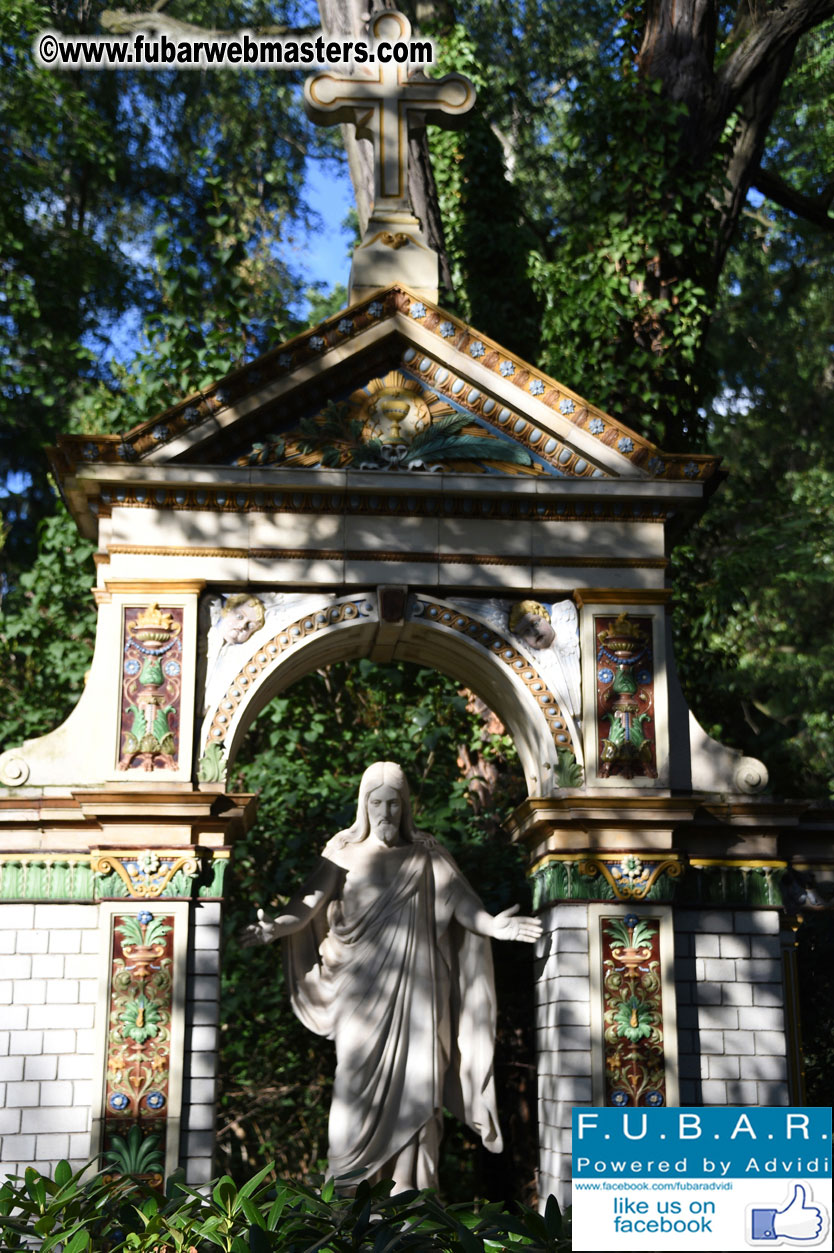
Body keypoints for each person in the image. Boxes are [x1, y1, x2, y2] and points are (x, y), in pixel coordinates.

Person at [241, 761, 541, 1191]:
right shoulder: (341, 852)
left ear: (405, 808)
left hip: (420, 996)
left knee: (419, 1092)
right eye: (377, 803)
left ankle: (411, 1201)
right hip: (360, 995)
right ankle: (346, 1196)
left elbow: (461, 904)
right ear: (364, 806)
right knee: (352, 1085)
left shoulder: (427, 855)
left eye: (394, 804)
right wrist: (275, 926)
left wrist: (495, 926)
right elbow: (305, 905)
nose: (385, 812)